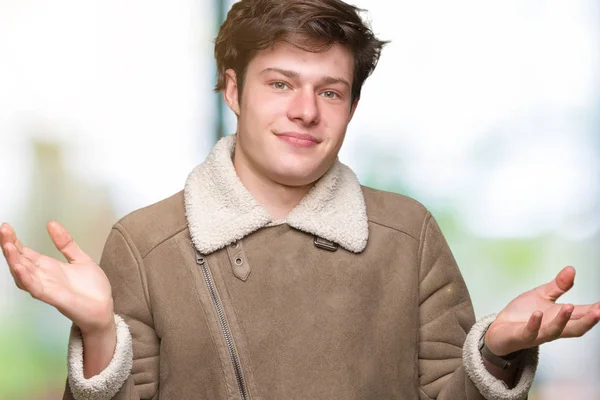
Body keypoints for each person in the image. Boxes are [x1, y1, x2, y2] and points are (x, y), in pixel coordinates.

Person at [2, 0, 599, 399]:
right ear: (233, 89)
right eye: (281, 83)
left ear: (352, 108)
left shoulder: (406, 233)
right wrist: (101, 332)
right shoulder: (145, 242)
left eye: (330, 91)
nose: (305, 111)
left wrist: (494, 353)